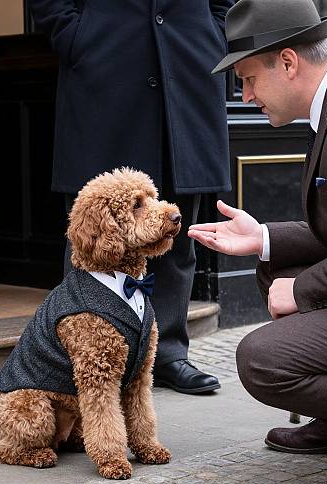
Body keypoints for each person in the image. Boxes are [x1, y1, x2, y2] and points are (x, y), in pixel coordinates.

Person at [188, 0, 327, 484]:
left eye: (248, 78)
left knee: (263, 358)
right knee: (275, 264)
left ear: (287, 62)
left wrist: (301, 291)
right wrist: (262, 239)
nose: (244, 95)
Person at [28, 0, 234, 394]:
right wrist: (75, 36)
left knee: (174, 229)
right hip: (105, 75)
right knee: (93, 235)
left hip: (187, 69)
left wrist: (215, 32)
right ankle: (81, 356)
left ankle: (169, 353)